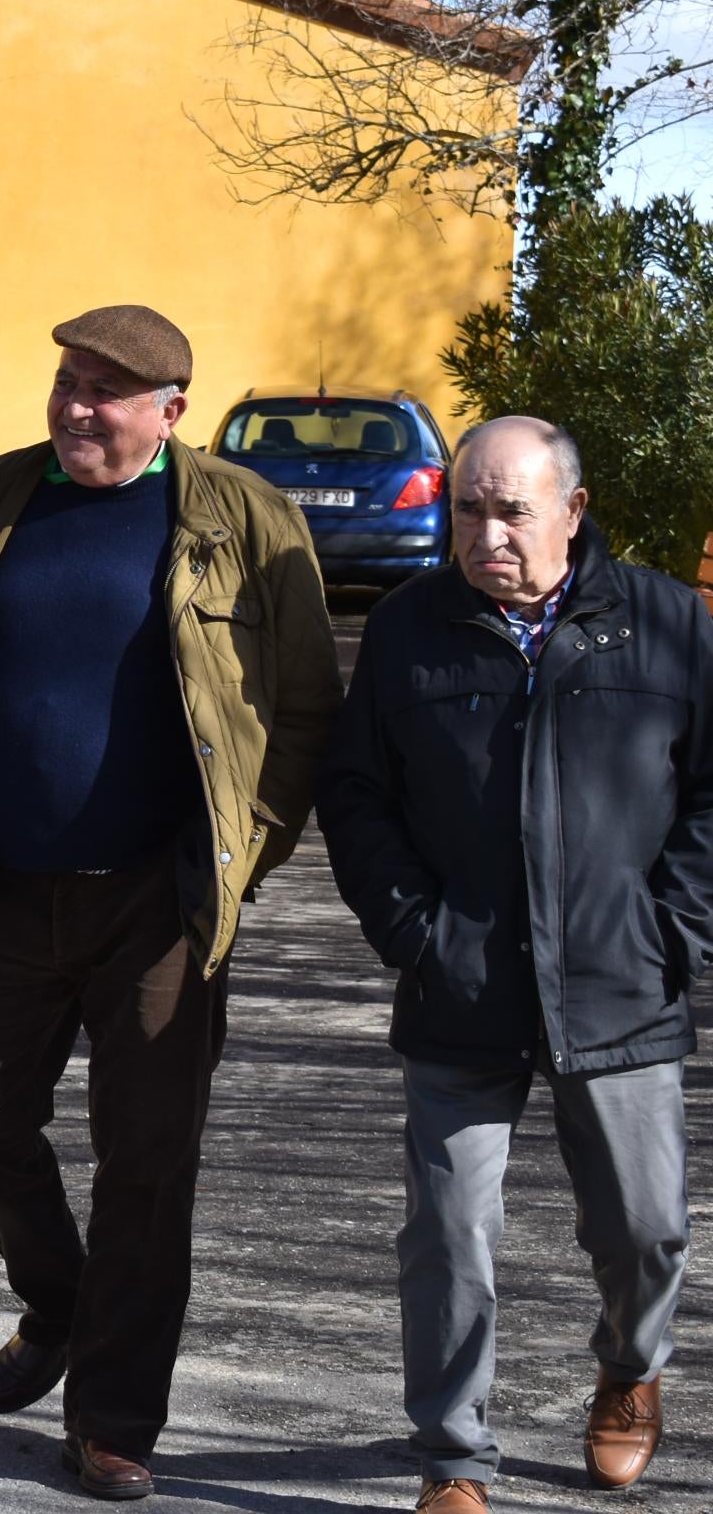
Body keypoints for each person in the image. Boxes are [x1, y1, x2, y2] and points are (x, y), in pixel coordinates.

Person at [0, 305, 341, 1502]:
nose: (76, 406)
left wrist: (238, 859)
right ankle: (61, 1298)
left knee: (148, 1164)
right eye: (67, 381)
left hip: (157, 905)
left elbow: (305, 707)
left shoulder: (246, 518)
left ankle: (114, 1416)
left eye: (106, 392)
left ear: (171, 410)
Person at [321, 417, 713, 1509]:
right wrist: (416, 930)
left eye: (511, 511)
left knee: (645, 1225)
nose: (485, 532)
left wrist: (673, 932)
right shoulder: (409, 629)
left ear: (573, 512)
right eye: (466, 509)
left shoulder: (669, 624)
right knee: (448, 1235)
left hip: (621, 982)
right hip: (464, 984)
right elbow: (355, 794)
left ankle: (631, 1367)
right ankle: (454, 1457)